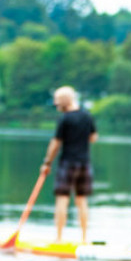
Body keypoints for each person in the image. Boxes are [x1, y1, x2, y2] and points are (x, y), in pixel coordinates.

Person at [41, 85, 98, 243]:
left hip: (68, 162)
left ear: (63, 102)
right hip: (84, 163)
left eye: (57, 103)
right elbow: (93, 137)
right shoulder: (87, 116)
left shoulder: (65, 119)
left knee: (62, 199)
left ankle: (58, 239)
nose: (57, 106)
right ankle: (84, 239)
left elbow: (56, 143)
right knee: (82, 200)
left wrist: (47, 162)